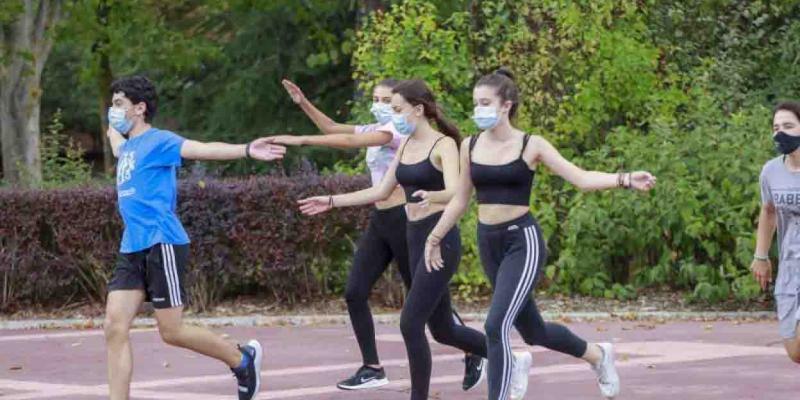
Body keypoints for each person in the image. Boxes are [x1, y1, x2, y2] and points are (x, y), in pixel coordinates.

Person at [424, 69, 656, 400]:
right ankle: (598, 355)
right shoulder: (469, 146)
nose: (479, 110)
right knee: (533, 331)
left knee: (495, 326)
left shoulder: (531, 144)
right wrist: (434, 237)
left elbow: (580, 178)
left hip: (523, 241)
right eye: (476, 103)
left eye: (486, 102)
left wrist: (624, 178)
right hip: (488, 241)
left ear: (506, 105)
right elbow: (461, 200)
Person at [297, 79, 504, 400]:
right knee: (443, 330)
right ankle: (507, 358)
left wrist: (432, 195)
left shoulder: (444, 145)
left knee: (410, 323)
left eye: (396, 109)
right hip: (413, 237)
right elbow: (380, 191)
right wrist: (332, 201)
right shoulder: (406, 145)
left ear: (418, 110)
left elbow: (457, 191)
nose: (391, 116)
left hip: (441, 241)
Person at [103, 75, 285, 400]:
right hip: (131, 246)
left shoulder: (159, 141)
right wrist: (113, 131)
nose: (112, 110)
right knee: (114, 328)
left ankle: (242, 360)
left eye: (118, 104)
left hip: (163, 243)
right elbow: (118, 147)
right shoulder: (127, 147)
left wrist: (246, 149)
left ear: (140, 108)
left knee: (171, 332)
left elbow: (201, 148)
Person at [752, 100, 800, 364]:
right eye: (776, 127)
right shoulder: (771, 171)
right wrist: (761, 255)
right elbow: (768, 210)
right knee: (795, 352)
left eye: (789, 126)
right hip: (790, 263)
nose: (780, 132)